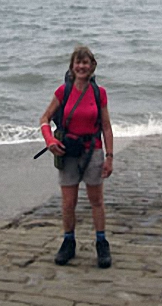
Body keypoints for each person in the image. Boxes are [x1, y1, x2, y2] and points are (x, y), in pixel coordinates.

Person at [39, 46, 114, 268]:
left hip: (94, 150)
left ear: (92, 66)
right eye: (78, 62)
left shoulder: (99, 93)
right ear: (72, 67)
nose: (82, 66)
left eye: (86, 62)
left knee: (96, 201)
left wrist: (109, 157)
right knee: (68, 202)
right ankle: (68, 242)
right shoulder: (63, 91)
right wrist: (50, 141)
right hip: (68, 152)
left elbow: (107, 127)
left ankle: (101, 243)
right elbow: (44, 119)